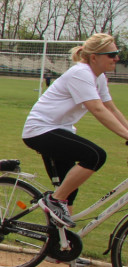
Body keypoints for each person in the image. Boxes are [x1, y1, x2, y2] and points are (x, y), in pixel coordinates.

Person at [22, 33, 128, 228]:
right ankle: (54, 200)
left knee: (69, 192)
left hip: (59, 130)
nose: (117, 58)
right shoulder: (81, 73)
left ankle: (61, 247)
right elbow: (97, 109)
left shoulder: (99, 77)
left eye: (117, 53)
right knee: (95, 156)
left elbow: (111, 108)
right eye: (111, 54)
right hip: (41, 130)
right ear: (94, 57)